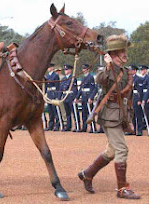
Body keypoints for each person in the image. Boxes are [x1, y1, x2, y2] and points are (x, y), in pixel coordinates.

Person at [78, 34, 140, 199]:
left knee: (112, 151)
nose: (125, 54)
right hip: (109, 114)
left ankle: (87, 173)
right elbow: (99, 80)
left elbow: (128, 99)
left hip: (121, 115)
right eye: (121, 51)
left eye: (125, 51)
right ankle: (122, 189)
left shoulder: (127, 72)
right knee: (121, 149)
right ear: (113, 55)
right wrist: (107, 66)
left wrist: (130, 119)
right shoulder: (105, 71)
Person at [74, 64, 96, 132]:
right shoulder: (83, 78)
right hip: (83, 96)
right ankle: (84, 127)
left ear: (88, 69)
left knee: (90, 113)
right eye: (83, 69)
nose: (83, 70)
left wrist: (91, 98)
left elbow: (93, 88)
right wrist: (77, 98)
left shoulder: (90, 77)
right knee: (84, 113)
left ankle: (93, 127)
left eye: (85, 69)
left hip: (88, 96)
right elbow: (81, 89)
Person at [57, 64, 79, 131]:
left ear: (70, 70)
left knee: (74, 112)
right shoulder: (64, 78)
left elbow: (74, 89)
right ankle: (68, 126)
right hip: (65, 97)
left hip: (71, 96)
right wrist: (59, 97)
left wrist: (76, 97)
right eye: (65, 70)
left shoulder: (73, 78)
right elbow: (61, 88)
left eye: (67, 70)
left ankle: (77, 126)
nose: (65, 71)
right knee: (67, 113)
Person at [45, 63, 60, 131]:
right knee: (50, 110)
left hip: (54, 93)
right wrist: (44, 93)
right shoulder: (47, 76)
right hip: (49, 94)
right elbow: (46, 86)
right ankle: (50, 125)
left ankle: (57, 125)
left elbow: (58, 86)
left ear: (52, 68)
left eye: (49, 67)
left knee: (55, 110)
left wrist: (57, 96)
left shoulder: (55, 76)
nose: (48, 69)